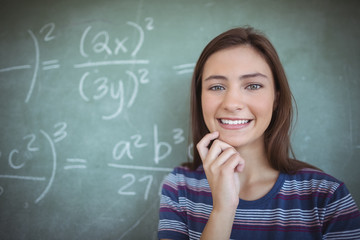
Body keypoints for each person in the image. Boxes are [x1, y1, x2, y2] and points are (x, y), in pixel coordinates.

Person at [158, 27, 360, 239]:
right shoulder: (180, 187)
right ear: (200, 98)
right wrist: (223, 210)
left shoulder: (326, 196)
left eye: (253, 85)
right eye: (217, 87)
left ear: (276, 99)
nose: (232, 104)